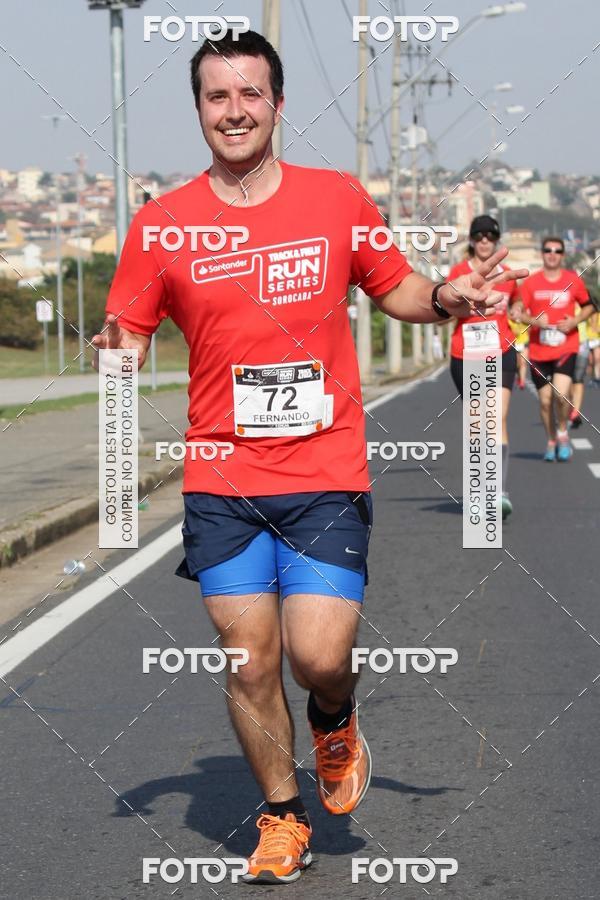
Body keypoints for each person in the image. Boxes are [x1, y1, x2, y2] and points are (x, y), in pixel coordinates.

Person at [92, 30, 525, 884]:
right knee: (247, 661)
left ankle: (336, 717)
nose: (235, 110)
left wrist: (444, 296)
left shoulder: (334, 200)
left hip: (324, 469)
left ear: (278, 105)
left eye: (250, 93)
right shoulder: (163, 224)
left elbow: (393, 285)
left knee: (318, 656)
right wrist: (116, 353)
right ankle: (283, 818)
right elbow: (129, 335)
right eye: (218, 96)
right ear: (199, 111)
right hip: (221, 476)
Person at [445, 215, 520, 520]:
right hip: (466, 354)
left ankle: (498, 491)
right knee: (478, 423)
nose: (485, 240)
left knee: (496, 417)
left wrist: (518, 311)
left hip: (501, 350)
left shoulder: (508, 274)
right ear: (472, 240)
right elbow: (445, 311)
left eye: (491, 235)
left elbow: (516, 307)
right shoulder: (459, 272)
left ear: (497, 238)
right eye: (479, 235)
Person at [517, 237, 594, 461]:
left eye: (557, 251)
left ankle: (562, 432)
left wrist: (574, 320)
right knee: (544, 401)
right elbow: (518, 312)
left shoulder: (573, 281)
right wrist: (534, 320)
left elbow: (589, 306)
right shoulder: (531, 283)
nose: (552, 254)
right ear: (542, 254)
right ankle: (551, 440)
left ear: (563, 255)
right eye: (548, 250)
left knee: (560, 395)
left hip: (565, 347)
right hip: (539, 351)